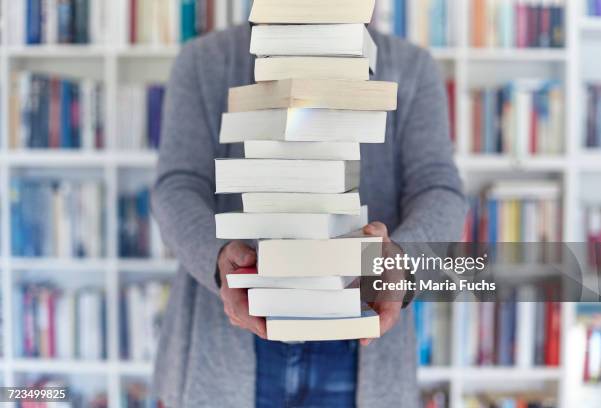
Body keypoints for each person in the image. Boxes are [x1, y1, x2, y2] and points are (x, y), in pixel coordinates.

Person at [152, 23, 466, 408]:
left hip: (360, 343)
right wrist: (218, 260)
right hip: (228, 341)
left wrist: (403, 259)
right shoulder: (203, 61)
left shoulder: (411, 67)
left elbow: (439, 189)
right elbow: (176, 186)